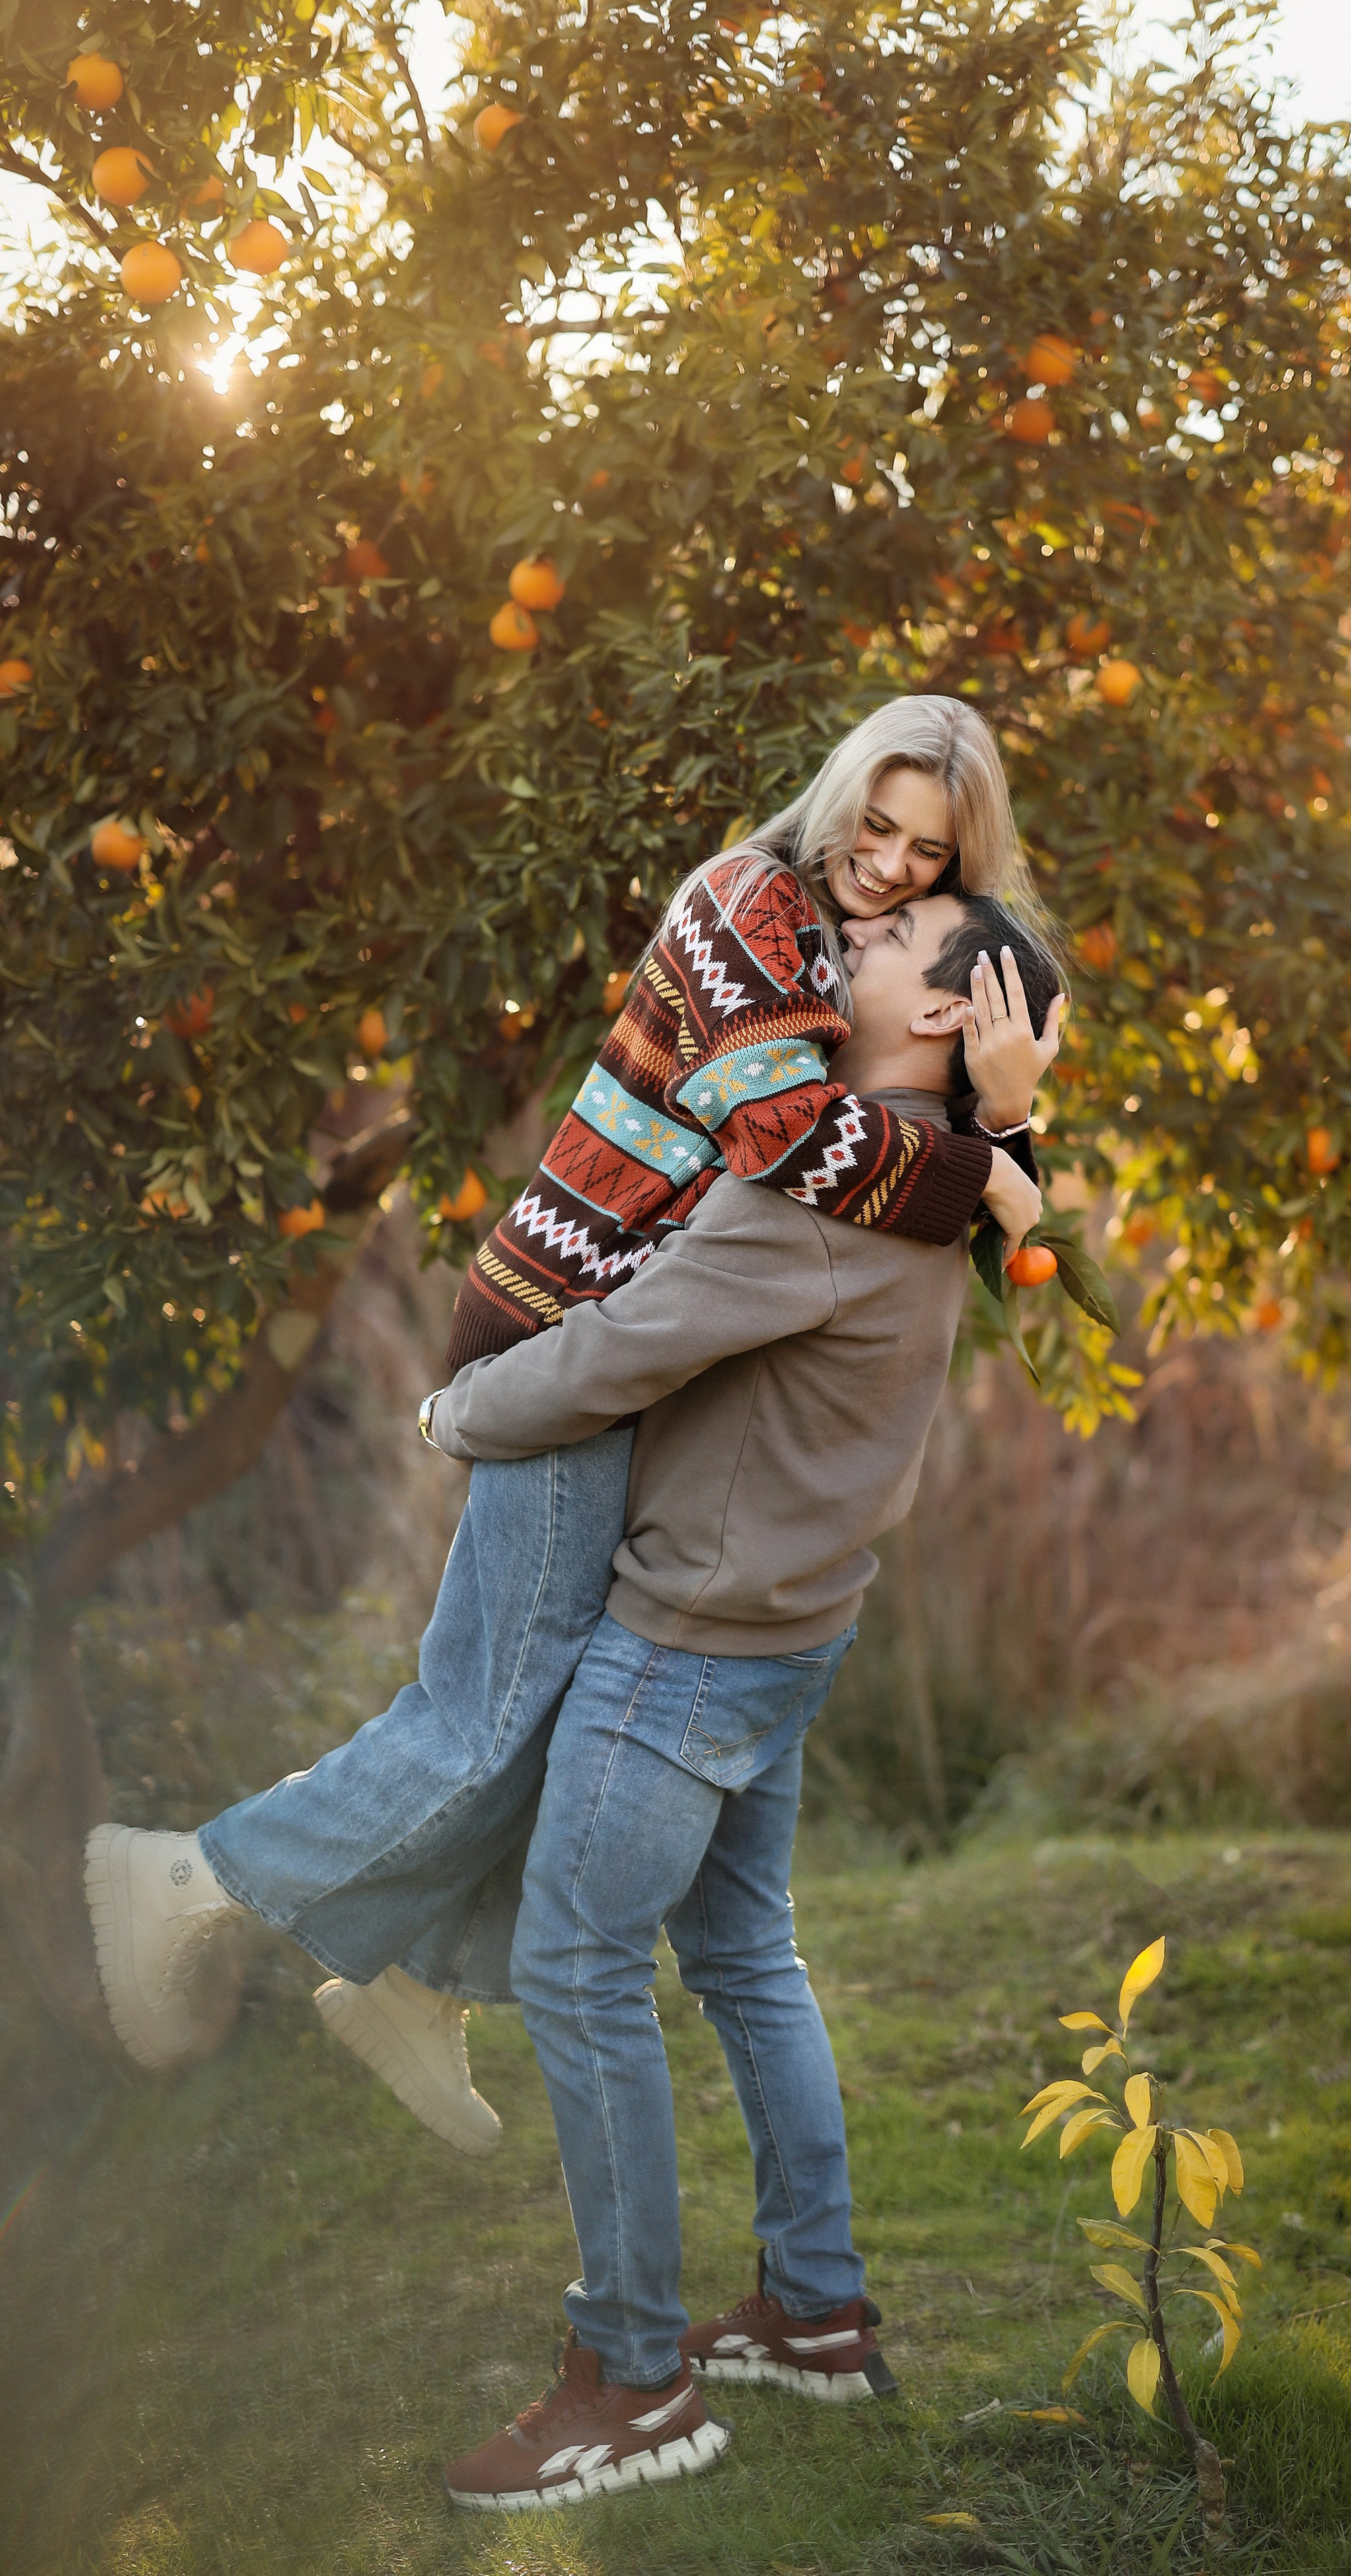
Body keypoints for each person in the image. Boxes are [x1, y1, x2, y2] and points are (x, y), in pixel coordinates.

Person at [83, 697, 1054, 2150]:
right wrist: (988, 1170)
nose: (890, 866)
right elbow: (788, 1143)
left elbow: (879, 1142)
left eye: (927, 854)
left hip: (636, 1351)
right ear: (839, 790)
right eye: (877, 822)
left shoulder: (851, 952)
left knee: (551, 1716)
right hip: (566, 1329)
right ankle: (188, 1878)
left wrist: (1003, 1134)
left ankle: (418, 1981)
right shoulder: (747, 905)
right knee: (486, 1719)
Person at [423, 891, 1065, 2510]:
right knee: (738, 1949)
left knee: (576, 1964)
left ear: (935, 1011)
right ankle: (812, 2305)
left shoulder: (838, 1193)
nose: (841, 949)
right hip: (788, 1622)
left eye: (891, 940)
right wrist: (1009, 1114)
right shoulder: (945, 1184)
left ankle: (631, 2379)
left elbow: (626, 1344)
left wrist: (461, 1412)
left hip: (694, 1638)